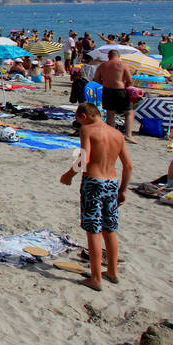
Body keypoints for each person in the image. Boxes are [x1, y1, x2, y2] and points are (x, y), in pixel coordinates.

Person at [60, 103, 132, 291]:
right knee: (110, 228)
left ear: (83, 116)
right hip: (112, 182)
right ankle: (113, 272)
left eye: (77, 119)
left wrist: (69, 175)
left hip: (94, 181)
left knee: (93, 230)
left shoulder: (87, 130)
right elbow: (128, 165)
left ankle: (96, 278)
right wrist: (123, 190)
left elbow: (86, 158)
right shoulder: (117, 134)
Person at [95, 50, 136, 141]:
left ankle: (111, 135)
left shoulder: (102, 65)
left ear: (108, 56)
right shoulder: (123, 65)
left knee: (110, 113)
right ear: (118, 56)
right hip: (120, 90)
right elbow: (129, 80)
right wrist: (129, 88)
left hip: (107, 90)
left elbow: (96, 79)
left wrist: (105, 83)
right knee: (129, 112)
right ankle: (128, 135)